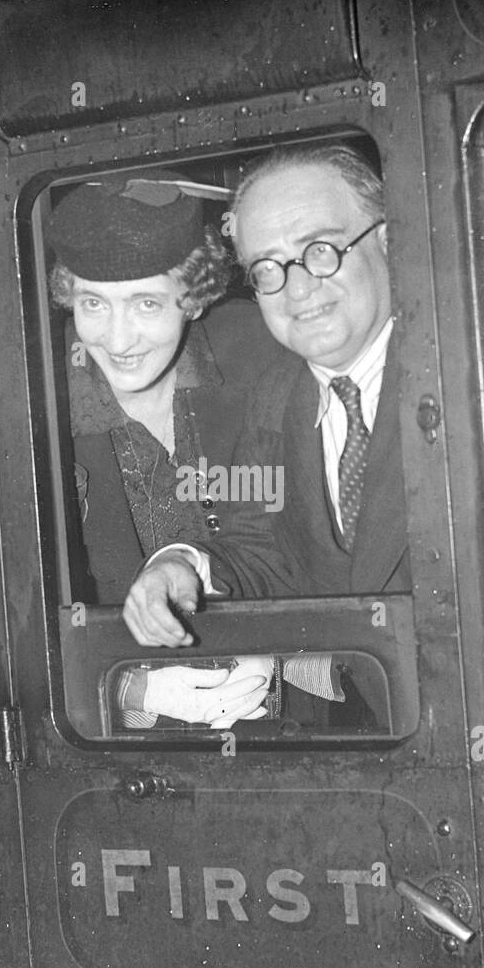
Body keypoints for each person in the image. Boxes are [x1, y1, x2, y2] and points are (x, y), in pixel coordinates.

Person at [122, 144, 409, 654]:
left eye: (320, 250)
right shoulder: (278, 393)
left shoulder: (474, 374)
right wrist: (181, 565)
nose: (296, 289)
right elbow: (262, 552)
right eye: (267, 267)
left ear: (389, 243)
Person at [47, 171, 281, 728]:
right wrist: (133, 688)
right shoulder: (35, 398)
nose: (118, 340)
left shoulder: (263, 353)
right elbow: (13, 620)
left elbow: (317, 545)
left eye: (146, 304)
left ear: (193, 296)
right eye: (93, 304)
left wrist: (289, 645)